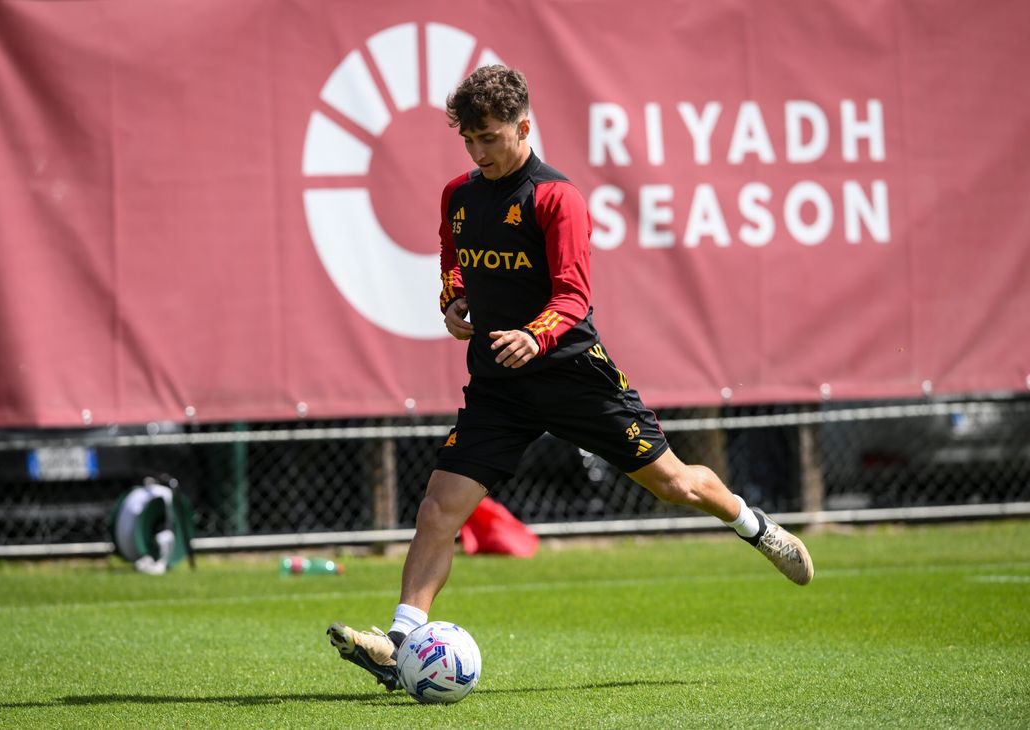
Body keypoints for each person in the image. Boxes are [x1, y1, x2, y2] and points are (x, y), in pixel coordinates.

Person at [327, 65, 813, 691]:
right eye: (468, 140)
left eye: (490, 137)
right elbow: (452, 258)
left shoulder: (557, 198)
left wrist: (535, 335)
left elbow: (574, 295)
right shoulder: (458, 195)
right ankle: (399, 647)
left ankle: (754, 526)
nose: (478, 152)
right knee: (438, 508)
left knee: (674, 485)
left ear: (524, 127)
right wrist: (453, 299)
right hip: (500, 386)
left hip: (574, 376)